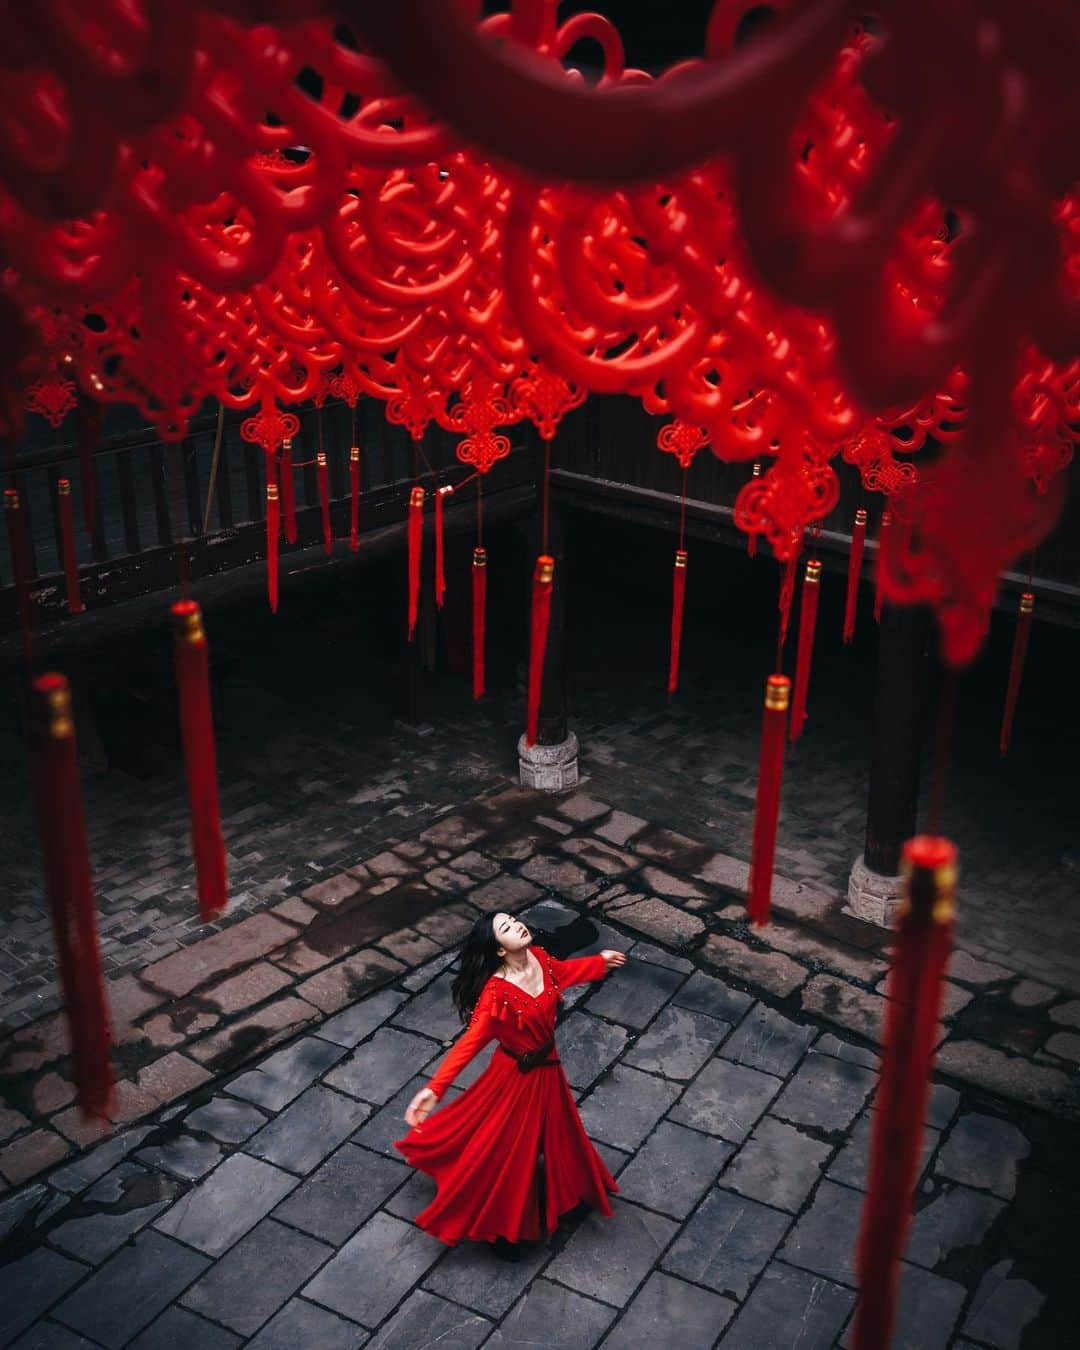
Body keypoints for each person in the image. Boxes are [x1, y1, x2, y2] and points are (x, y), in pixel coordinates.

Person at [394, 911, 627, 1257]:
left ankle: (572, 1188)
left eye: (514, 920)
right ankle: (505, 1229)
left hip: (549, 1069)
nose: (517, 925)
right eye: (506, 927)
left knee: (561, 1131)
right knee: (509, 1151)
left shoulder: (541, 959)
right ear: (500, 949)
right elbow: (469, 1044)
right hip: (517, 1077)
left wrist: (598, 963)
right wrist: (434, 1089)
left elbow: (564, 974)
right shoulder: (496, 995)